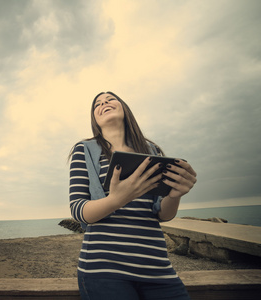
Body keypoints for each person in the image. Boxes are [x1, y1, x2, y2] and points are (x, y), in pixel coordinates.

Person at [69, 91, 197, 300]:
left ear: (124, 107)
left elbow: (162, 214)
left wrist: (175, 194)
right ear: (95, 119)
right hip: (103, 270)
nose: (104, 103)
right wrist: (117, 199)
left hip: (157, 268)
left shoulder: (152, 150)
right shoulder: (84, 150)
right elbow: (78, 209)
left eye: (110, 99)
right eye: (97, 104)